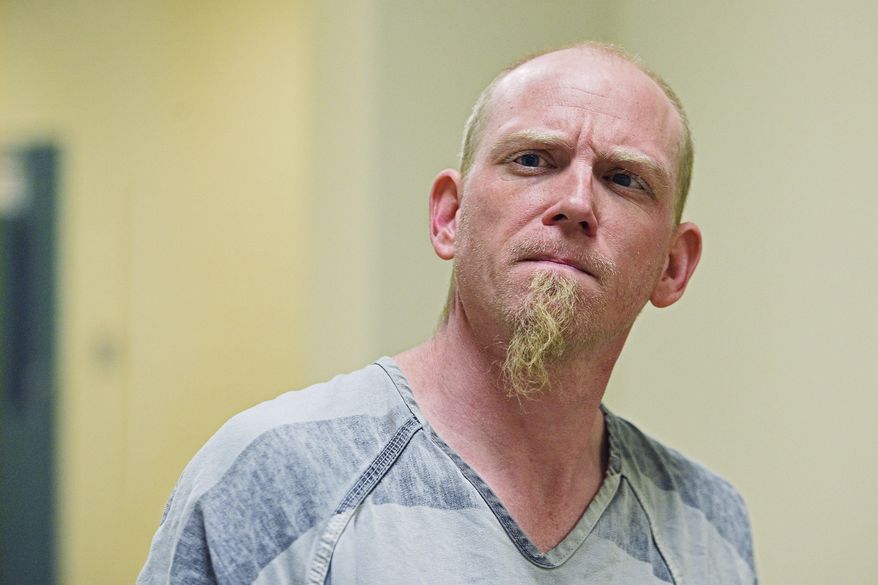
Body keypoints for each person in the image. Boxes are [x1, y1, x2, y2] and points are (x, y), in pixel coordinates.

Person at [137, 42, 757, 584]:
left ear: (674, 267)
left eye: (624, 179)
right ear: (448, 217)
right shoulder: (274, 482)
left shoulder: (708, 529)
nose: (575, 203)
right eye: (533, 160)